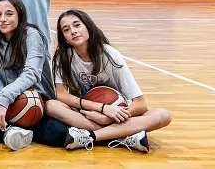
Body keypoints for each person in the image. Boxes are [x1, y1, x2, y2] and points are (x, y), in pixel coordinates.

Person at [47, 10, 172, 152]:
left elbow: (140, 104)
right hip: (88, 113)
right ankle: (124, 136)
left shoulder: (110, 55)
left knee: (163, 115)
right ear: (64, 38)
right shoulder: (63, 57)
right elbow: (61, 95)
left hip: (118, 114)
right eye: (66, 29)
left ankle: (90, 136)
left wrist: (109, 118)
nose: (73, 31)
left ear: (88, 27)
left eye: (77, 25)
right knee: (51, 106)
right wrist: (101, 109)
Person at [0, 0, 69, 150]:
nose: (3, 19)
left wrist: (3, 99)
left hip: (37, 102)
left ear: (20, 15)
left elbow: (31, 73)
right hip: (10, 103)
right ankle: (8, 132)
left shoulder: (32, 35)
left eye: (9, 14)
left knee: (58, 133)